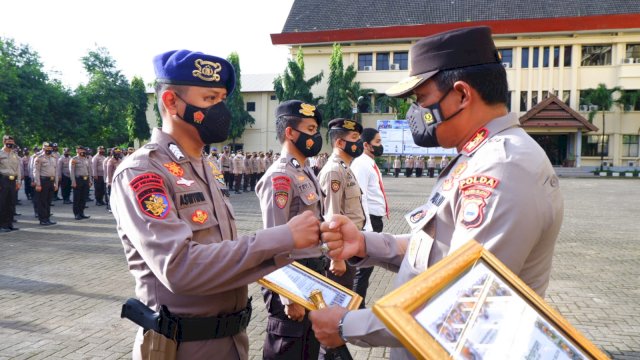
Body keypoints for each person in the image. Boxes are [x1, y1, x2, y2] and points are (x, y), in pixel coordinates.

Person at [308, 26, 564, 360]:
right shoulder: (478, 156)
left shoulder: (502, 167)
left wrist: (347, 325)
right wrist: (365, 243)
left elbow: (462, 303)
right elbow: (438, 254)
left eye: (422, 100)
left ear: (461, 95)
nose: (416, 114)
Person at [110, 50, 325, 360]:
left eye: (223, 99)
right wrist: (283, 236)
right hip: (180, 346)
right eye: (210, 99)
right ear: (171, 102)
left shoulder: (206, 167)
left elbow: (226, 256)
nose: (221, 110)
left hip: (231, 340)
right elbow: (180, 267)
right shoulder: (144, 171)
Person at [255, 100, 326, 360]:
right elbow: (274, 240)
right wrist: (288, 295)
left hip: (312, 272)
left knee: (309, 349)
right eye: (309, 128)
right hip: (292, 277)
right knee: (287, 350)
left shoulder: (305, 171)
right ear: (290, 133)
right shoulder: (280, 177)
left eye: (316, 129)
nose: (315, 136)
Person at [318, 118, 366, 292]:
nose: (359, 142)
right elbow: (331, 216)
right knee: (339, 300)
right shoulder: (334, 170)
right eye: (354, 137)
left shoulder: (344, 167)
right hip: (341, 248)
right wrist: (336, 257)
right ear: (339, 142)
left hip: (349, 244)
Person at [349, 128, 388, 307]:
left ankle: (358, 304)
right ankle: (357, 307)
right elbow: (361, 195)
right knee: (362, 269)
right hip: (369, 220)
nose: (381, 146)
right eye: (377, 142)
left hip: (374, 219)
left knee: (366, 267)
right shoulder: (361, 164)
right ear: (366, 145)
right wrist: (367, 226)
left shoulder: (370, 162)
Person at [0, 135, 22, 232]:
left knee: (11, 203)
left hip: (13, 180)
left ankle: (9, 224)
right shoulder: (0, 153)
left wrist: (18, 181)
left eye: (12, 142)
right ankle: (2, 225)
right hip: (3, 179)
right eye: (9, 141)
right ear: (4, 142)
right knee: (2, 203)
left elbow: (18, 169)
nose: (11, 143)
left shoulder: (14, 154)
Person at [33, 142, 57, 226]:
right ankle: (42, 219)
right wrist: (38, 184)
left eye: (50, 148)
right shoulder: (39, 158)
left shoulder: (53, 158)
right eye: (47, 148)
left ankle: (47, 218)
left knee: (48, 201)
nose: (49, 150)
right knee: (42, 201)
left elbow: (55, 171)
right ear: (43, 148)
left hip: (51, 181)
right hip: (43, 181)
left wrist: (55, 183)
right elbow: (36, 171)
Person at [70, 145, 91, 220]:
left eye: (83, 150)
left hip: (85, 179)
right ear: (77, 151)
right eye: (81, 150)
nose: (83, 151)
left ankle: (82, 213)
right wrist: (73, 182)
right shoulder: (74, 159)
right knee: (77, 198)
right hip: (78, 180)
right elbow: (71, 172)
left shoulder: (86, 159)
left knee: (83, 197)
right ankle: (76, 214)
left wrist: (90, 180)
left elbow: (89, 171)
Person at [104, 148, 123, 213]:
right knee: (111, 195)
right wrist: (109, 182)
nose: (118, 153)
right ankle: (110, 208)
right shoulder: (110, 161)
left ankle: (117, 207)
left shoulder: (120, 160)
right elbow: (108, 172)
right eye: (116, 152)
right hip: (111, 181)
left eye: (119, 152)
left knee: (118, 195)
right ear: (113, 153)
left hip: (118, 181)